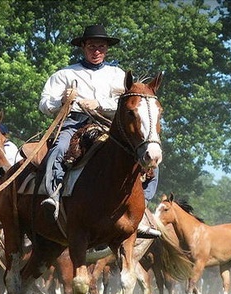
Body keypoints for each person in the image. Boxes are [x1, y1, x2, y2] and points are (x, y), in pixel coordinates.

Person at [37, 24, 160, 238]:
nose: (96, 51)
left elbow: (129, 104)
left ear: (106, 49)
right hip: (74, 122)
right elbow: (44, 104)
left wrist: (99, 103)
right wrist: (62, 100)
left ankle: (140, 212)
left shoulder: (117, 74)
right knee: (58, 150)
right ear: (83, 46)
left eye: (101, 47)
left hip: (110, 125)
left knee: (150, 160)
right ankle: (53, 197)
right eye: (92, 46)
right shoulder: (65, 74)